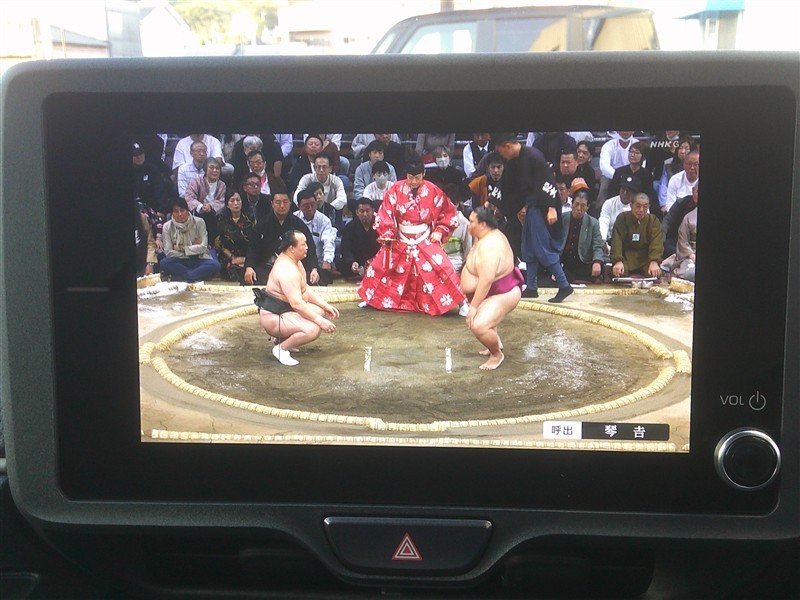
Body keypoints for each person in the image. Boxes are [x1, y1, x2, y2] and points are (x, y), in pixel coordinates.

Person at [357, 159, 465, 315]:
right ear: (406, 175)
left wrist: (440, 230)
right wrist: (388, 232)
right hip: (400, 237)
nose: (413, 181)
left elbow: (447, 212)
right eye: (410, 177)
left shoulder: (433, 190)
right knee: (380, 265)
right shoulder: (396, 189)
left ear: (424, 174)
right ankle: (371, 298)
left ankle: (462, 303)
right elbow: (385, 212)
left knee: (444, 267)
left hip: (425, 238)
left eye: (417, 177)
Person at [494, 133, 573, 303]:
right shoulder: (513, 162)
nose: (501, 155)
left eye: (501, 151)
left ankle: (564, 285)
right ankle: (531, 287)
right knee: (528, 247)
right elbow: (506, 184)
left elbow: (548, 181)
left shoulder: (534, 156)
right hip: (531, 207)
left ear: (507, 146)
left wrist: (551, 208)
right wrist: (491, 201)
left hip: (543, 207)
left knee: (543, 248)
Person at [255, 230, 339, 367]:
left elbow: (304, 288)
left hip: (285, 310)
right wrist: (321, 322)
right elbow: (297, 305)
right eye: (303, 244)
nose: (307, 247)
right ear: (291, 248)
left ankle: (281, 340)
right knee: (313, 329)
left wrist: (325, 305)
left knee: (319, 311)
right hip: (274, 316)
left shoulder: (295, 261)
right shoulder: (287, 270)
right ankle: (281, 349)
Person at [460, 207, 524, 370]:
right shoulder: (483, 236)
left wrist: (473, 307)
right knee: (484, 321)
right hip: (494, 291)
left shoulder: (490, 246)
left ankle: (496, 355)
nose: (468, 224)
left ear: (483, 224)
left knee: (479, 325)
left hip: (504, 292)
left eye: (472, 222)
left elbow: (487, 280)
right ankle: (495, 344)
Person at [244, 190, 320, 286]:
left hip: (293, 268)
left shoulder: (298, 224)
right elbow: (253, 248)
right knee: (254, 275)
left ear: (290, 203)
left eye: (285, 202)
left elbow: (310, 248)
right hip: (269, 268)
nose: (282, 206)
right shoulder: (262, 225)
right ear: (272, 204)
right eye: (278, 202)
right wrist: (249, 267)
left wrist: (314, 269)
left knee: (310, 277)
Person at [159, 198, 221, 282]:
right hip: (179, 260)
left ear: (187, 210)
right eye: (176, 211)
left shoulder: (199, 222)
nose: (180, 214)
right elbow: (168, 252)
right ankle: (194, 275)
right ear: (172, 213)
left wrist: (182, 248)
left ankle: (183, 277)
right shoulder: (167, 226)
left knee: (215, 265)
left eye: (182, 210)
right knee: (164, 263)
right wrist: (193, 249)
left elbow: (203, 247)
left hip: (199, 258)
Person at [610, 193, 664, 279]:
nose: (641, 210)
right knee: (618, 272)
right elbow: (617, 241)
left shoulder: (653, 221)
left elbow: (656, 243)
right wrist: (618, 260)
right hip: (625, 257)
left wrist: (654, 261)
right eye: (638, 206)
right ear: (631, 206)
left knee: (654, 273)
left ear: (649, 207)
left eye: (645, 207)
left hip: (645, 258)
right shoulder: (622, 218)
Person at [559, 189, 604, 283]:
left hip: (582, 262)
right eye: (576, 204)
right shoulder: (562, 218)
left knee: (599, 270)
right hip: (563, 262)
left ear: (588, 207)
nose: (579, 208)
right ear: (572, 204)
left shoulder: (593, 223)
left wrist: (597, 262)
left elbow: (597, 246)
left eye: (583, 206)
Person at [294, 188, 337, 286]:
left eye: (313, 205)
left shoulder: (324, 220)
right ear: (299, 206)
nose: (310, 208)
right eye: (306, 206)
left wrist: (327, 261)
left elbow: (329, 242)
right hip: (298, 262)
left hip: (318, 262)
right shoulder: (294, 218)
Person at [214, 191, 255, 284]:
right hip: (229, 257)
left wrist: (246, 259)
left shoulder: (250, 219)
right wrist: (233, 258)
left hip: (247, 256)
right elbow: (219, 243)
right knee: (232, 270)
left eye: (238, 200)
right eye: (232, 201)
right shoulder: (222, 219)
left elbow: (255, 242)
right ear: (227, 205)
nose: (236, 203)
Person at [184, 156, 226, 243]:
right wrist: (200, 206)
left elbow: (222, 201)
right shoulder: (196, 182)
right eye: (211, 168)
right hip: (198, 213)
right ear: (205, 169)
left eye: (217, 168)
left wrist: (210, 206)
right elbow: (189, 197)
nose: (215, 170)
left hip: (215, 214)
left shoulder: (222, 185)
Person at [337, 198, 381, 279]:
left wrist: (373, 261)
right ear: (357, 212)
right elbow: (346, 249)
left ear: (373, 211)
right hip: (357, 262)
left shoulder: (380, 226)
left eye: (368, 211)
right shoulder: (350, 227)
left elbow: (383, 247)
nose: (365, 214)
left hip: (376, 262)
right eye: (362, 211)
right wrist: (352, 262)